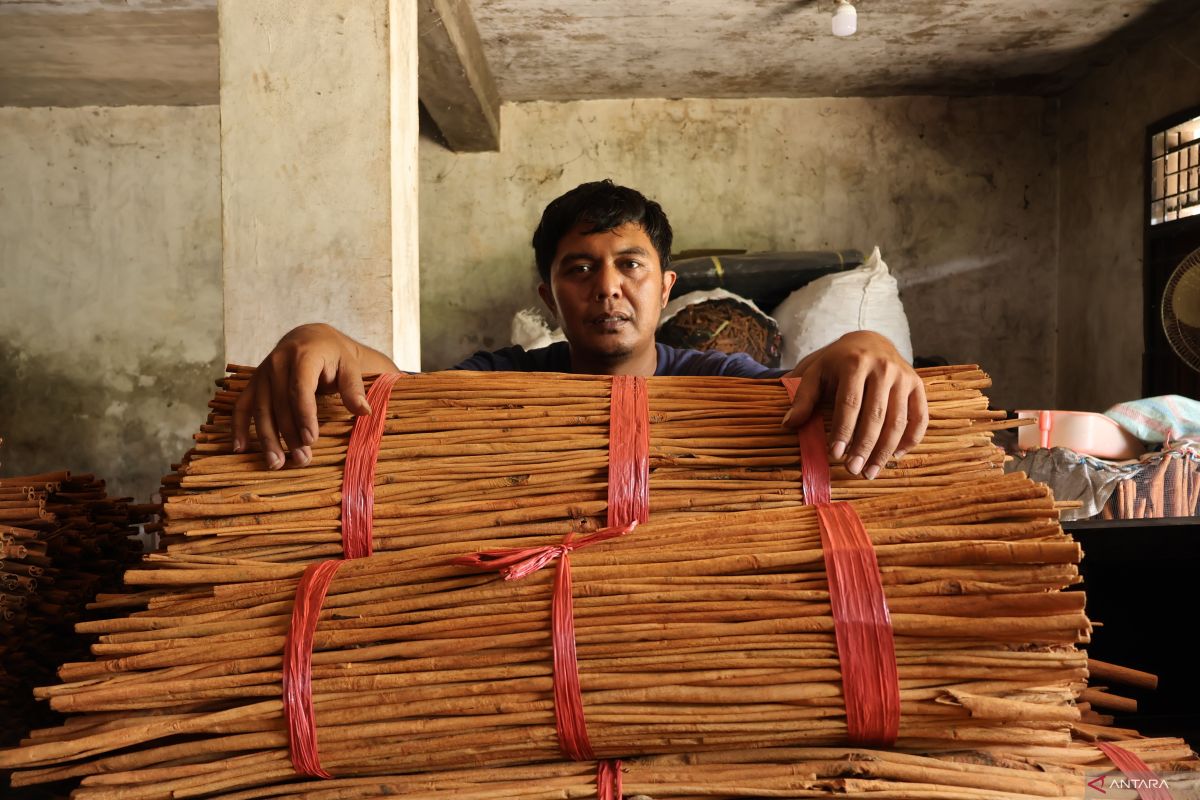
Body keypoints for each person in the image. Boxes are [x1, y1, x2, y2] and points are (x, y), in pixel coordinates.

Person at [232, 180, 927, 481]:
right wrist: (328, 339)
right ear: (549, 295)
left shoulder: (716, 384)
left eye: (630, 264)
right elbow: (406, 395)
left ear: (664, 288)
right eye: (579, 269)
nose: (607, 287)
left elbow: (801, 393)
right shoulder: (511, 379)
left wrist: (868, 348)